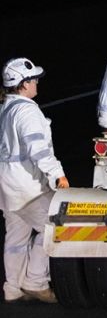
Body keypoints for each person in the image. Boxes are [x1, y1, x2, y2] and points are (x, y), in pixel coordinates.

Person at [0, 57, 68, 304]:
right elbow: (37, 149)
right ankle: (35, 282)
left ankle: (13, 288)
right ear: (23, 84)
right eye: (33, 79)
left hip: (7, 188)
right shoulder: (26, 110)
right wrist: (57, 174)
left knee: (16, 238)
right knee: (55, 228)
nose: (37, 82)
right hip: (27, 188)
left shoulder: (5, 108)